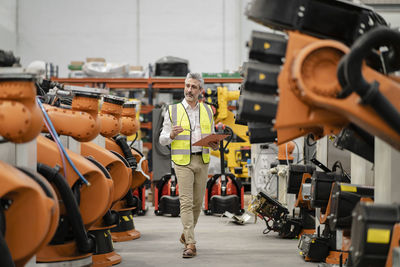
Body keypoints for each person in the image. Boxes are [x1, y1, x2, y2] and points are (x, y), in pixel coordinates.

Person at [159, 72, 218, 258]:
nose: (189, 90)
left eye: (193, 87)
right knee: (185, 202)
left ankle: (186, 234)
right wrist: (171, 136)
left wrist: (214, 142)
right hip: (182, 161)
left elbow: (212, 135)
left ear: (201, 90)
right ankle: (191, 244)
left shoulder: (208, 111)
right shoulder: (172, 110)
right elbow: (161, 139)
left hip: (202, 159)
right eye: (187, 86)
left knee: (197, 204)